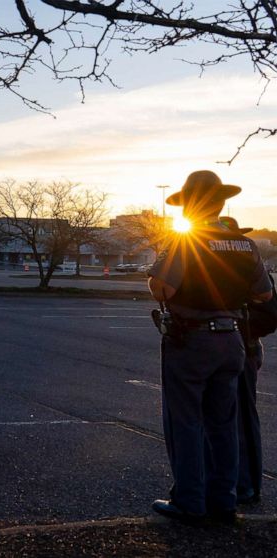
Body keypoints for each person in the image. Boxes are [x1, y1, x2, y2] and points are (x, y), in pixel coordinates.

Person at [147, 170, 273, 524]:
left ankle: (189, 501)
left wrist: (155, 276)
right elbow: (264, 294)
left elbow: (163, 289)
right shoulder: (245, 245)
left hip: (192, 340)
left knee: (186, 421)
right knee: (223, 423)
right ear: (221, 203)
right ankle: (225, 500)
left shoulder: (188, 242)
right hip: (232, 338)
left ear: (189, 205)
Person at [219, 216, 276, 505]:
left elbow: (270, 313)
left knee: (242, 418)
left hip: (244, 348)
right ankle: (226, 483)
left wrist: (239, 329)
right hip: (229, 348)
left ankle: (248, 485)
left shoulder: (252, 270)